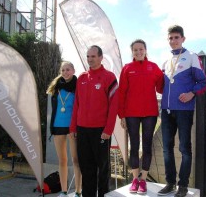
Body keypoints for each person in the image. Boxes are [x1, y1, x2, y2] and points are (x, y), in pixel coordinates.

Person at [158, 25, 206, 197]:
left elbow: (203, 82)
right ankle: (170, 183)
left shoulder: (191, 57)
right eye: (170, 38)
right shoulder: (165, 59)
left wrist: (191, 93)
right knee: (166, 149)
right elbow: (161, 86)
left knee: (185, 149)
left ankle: (183, 186)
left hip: (184, 111)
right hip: (166, 110)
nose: (173, 41)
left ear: (183, 39)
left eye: (176, 37)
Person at [69, 45, 118, 197]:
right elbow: (76, 104)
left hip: (100, 131)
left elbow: (114, 106)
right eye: (88, 56)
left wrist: (108, 130)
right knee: (86, 167)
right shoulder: (82, 78)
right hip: (82, 130)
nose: (90, 59)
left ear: (101, 57)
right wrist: (73, 128)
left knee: (103, 167)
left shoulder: (109, 77)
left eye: (93, 56)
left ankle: (103, 194)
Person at [118, 39, 164, 194]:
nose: (138, 52)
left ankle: (143, 180)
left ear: (145, 50)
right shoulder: (127, 68)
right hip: (131, 113)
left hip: (150, 112)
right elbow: (121, 92)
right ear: (132, 52)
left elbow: (161, 86)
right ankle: (135, 179)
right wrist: (122, 115)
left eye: (141, 49)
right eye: (135, 50)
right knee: (134, 146)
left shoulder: (154, 67)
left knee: (147, 145)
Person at [46, 61, 82, 197]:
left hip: (73, 127)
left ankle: (78, 191)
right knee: (62, 160)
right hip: (57, 127)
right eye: (63, 70)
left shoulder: (78, 86)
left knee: (76, 160)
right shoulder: (56, 86)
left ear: (73, 70)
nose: (65, 72)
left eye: (68, 69)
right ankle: (64, 191)